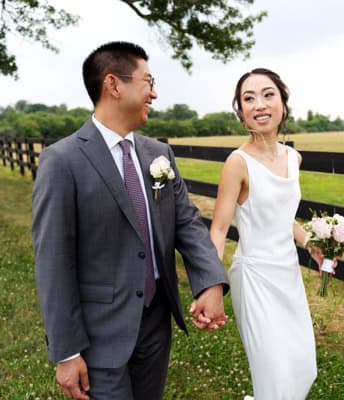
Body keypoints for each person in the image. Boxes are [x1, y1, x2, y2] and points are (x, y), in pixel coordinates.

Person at [32, 41, 228, 400]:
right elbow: (53, 262)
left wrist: (211, 282)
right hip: (98, 335)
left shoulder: (159, 154)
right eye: (147, 81)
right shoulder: (62, 161)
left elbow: (186, 222)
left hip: (155, 325)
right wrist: (66, 351)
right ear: (114, 85)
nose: (154, 92)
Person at [209, 68, 327, 399]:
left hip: (287, 275)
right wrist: (212, 285)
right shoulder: (237, 163)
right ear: (241, 111)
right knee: (275, 379)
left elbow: (281, 218)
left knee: (304, 368)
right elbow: (218, 229)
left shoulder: (293, 157)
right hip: (255, 277)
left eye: (267, 94)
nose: (259, 104)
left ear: (282, 104)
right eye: (249, 98)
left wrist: (310, 242)